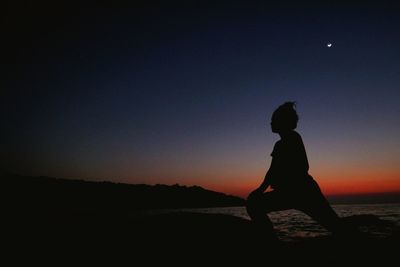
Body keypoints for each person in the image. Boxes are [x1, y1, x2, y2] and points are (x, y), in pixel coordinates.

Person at [246, 102, 343, 239]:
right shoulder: (279, 144)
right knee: (253, 203)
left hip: (304, 191)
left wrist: (272, 186)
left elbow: (304, 166)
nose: (270, 123)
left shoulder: (293, 138)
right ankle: (269, 238)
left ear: (283, 122)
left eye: (274, 120)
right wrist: (260, 190)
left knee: (334, 225)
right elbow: (272, 170)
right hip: (289, 193)